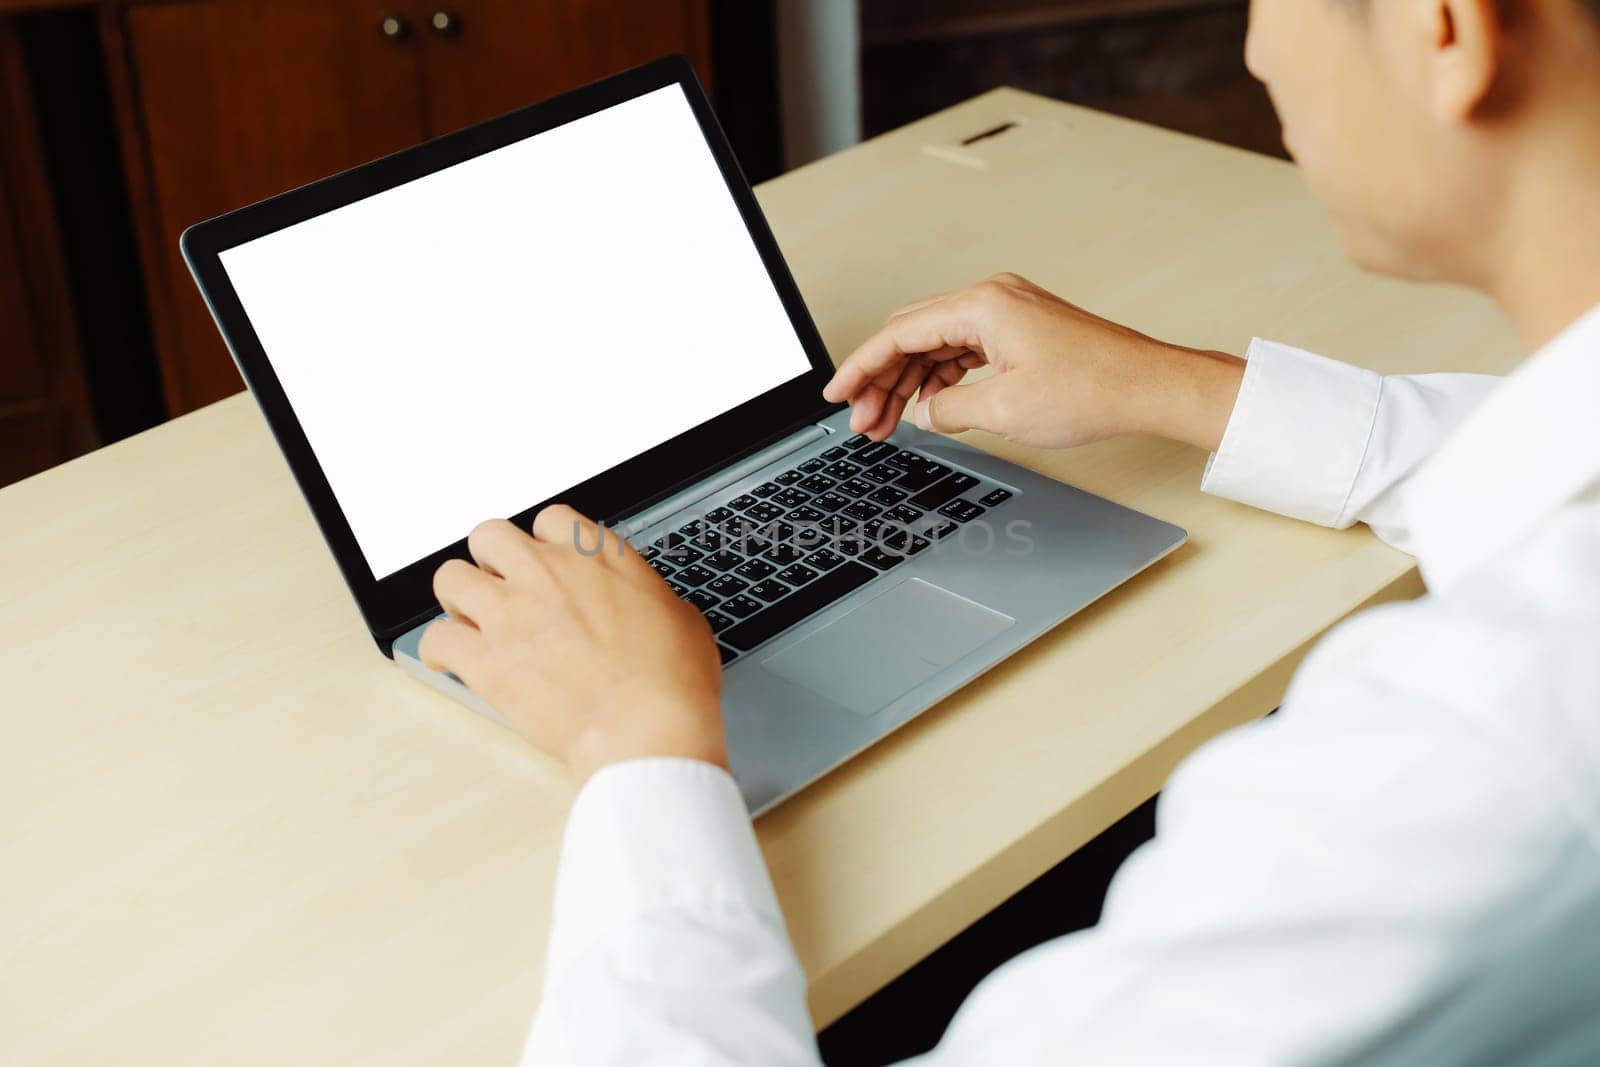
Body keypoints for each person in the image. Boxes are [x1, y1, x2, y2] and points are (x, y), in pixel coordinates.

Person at [418, 0, 1600, 1060]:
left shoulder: (1467, 764)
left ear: (1446, 29)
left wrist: (641, 735)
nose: (1251, 48)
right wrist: (1180, 388)